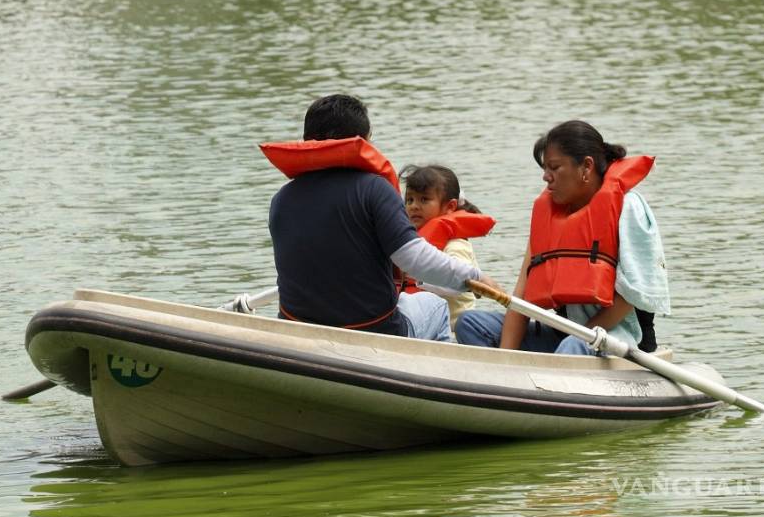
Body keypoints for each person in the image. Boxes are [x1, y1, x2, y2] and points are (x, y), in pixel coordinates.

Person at [264, 95, 494, 342]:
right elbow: (412, 260)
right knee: (435, 306)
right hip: (373, 333)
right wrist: (476, 278)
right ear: (362, 141)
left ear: (307, 140)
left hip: (298, 332)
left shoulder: (281, 199)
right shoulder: (374, 189)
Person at [454, 119, 670, 357]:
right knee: (470, 323)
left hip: (619, 338)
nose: (546, 178)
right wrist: (507, 360)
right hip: (566, 334)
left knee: (572, 346)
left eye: (554, 168)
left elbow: (632, 295)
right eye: (544, 169)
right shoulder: (550, 215)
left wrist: (583, 335)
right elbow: (522, 299)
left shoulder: (628, 207)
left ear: (586, 167)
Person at [400, 163, 493, 327]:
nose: (414, 206)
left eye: (424, 199)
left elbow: (460, 285)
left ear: (450, 206)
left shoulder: (457, 244)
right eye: (410, 200)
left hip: (454, 331)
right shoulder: (411, 245)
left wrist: (419, 277)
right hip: (423, 323)